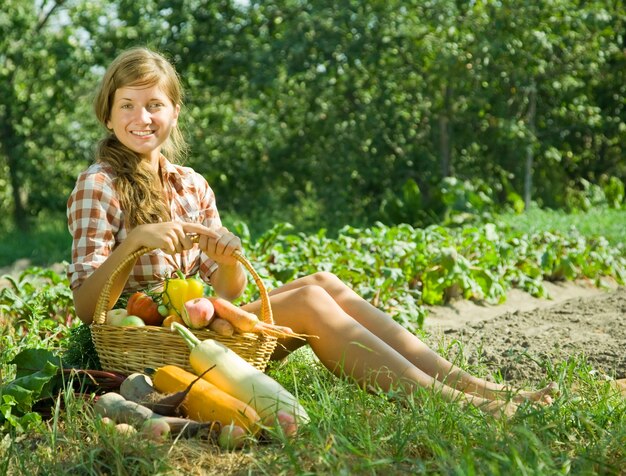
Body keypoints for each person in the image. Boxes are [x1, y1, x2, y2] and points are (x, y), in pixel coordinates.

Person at [67, 47, 557, 419]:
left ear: (174, 112)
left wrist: (230, 259)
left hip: (200, 330)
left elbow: (224, 297)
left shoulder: (191, 184)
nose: (141, 118)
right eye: (127, 105)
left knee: (324, 283)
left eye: (154, 104)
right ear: (108, 116)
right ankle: (456, 404)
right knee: (308, 304)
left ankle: (478, 388)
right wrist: (134, 243)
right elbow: (88, 309)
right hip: (150, 346)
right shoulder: (99, 184)